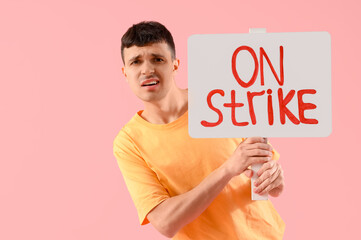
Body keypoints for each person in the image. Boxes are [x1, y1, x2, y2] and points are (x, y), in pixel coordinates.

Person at [113, 21, 285, 239]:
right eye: (136, 62)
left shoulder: (219, 99)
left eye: (158, 59)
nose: (147, 69)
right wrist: (228, 169)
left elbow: (271, 181)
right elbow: (165, 223)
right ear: (125, 72)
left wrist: (275, 179)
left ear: (175, 64)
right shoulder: (129, 142)